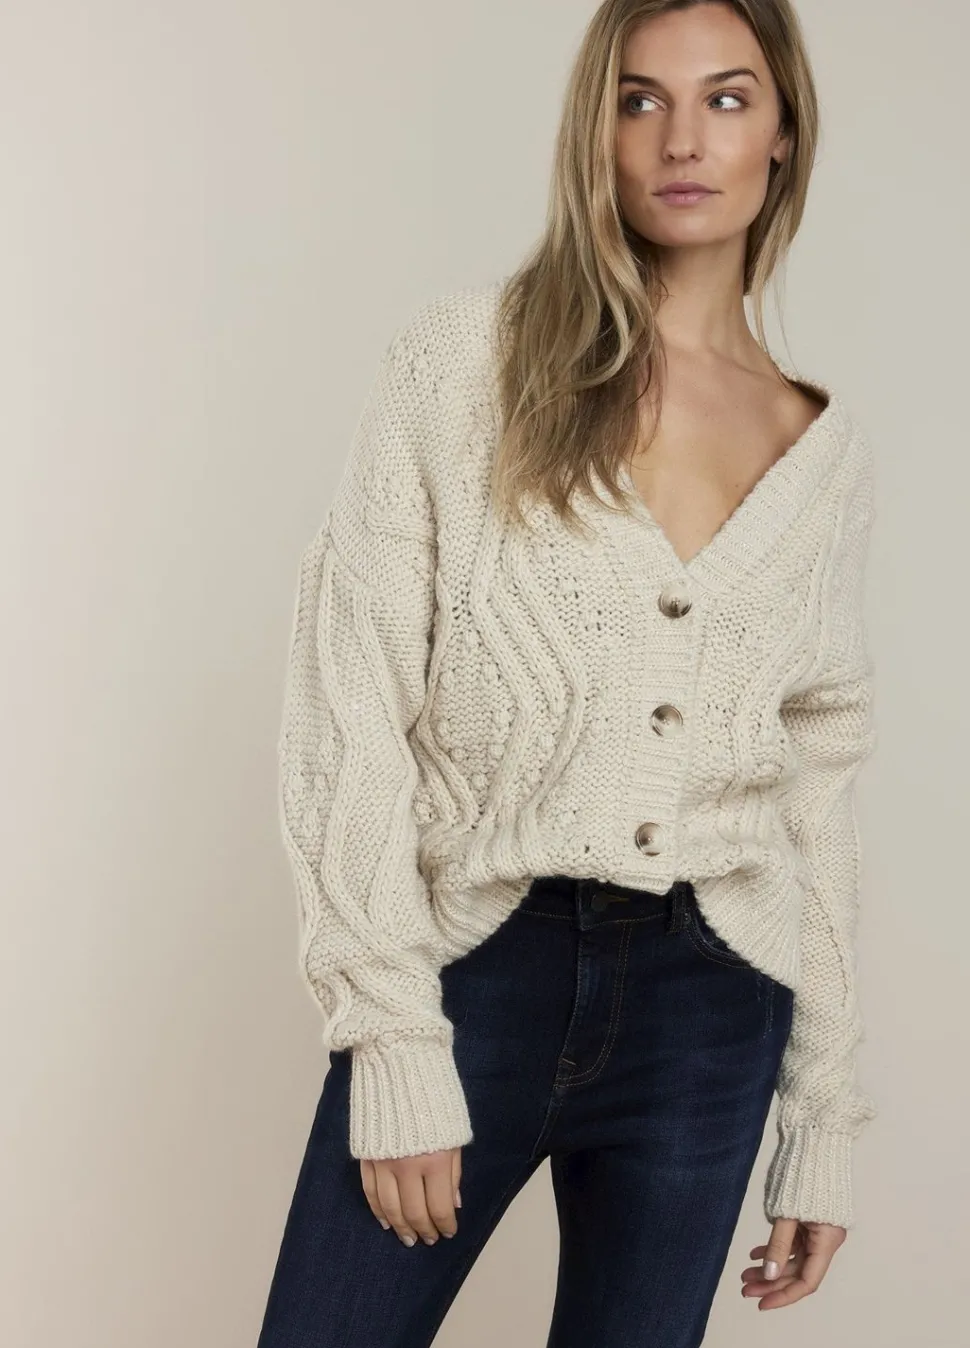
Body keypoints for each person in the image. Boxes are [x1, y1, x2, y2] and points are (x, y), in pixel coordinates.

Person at [256, 1, 880, 1344]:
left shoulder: (815, 449)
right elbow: (350, 698)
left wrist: (822, 1120)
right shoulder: (465, 363)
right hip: (479, 965)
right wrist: (392, 1034)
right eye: (639, 99)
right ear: (594, 129)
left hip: (714, 998)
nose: (680, 139)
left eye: (725, 99)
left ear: (781, 134)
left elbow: (816, 792)